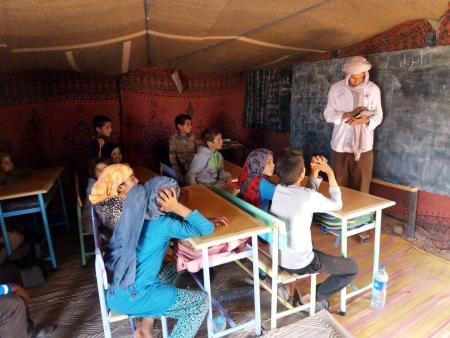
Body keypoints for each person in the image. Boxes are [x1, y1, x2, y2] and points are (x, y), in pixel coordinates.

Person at [90, 165, 214, 338]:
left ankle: (145, 327)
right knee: (199, 304)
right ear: (164, 204)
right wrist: (177, 207)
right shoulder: (164, 224)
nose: (138, 182)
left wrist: (176, 209)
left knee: (171, 269)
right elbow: (207, 229)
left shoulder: (127, 214)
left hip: (116, 293)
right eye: (174, 197)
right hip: (136, 296)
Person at [270, 149, 358, 309]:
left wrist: (315, 172)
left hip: (279, 256)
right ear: (302, 174)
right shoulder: (306, 197)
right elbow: (337, 204)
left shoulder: (278, 190)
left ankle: (311, 296)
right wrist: (330, 173)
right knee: (352, 268)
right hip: (300, 262)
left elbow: (306, 193)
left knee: (318, 254)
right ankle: (312, 298)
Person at [324, 56, 383, 193]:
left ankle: (359, 214)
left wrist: (365, 119)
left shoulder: (373, 89)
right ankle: (339, 213)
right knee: (338, 186)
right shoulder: (336, 88)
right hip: (340, 145)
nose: (356, 81)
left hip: (364, 147)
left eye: (360, 78)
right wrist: (347, 115)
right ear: (347, 75)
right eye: (353, 78)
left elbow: (378, 115)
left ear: (365, 75)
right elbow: (328, 114)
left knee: (362, 187)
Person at [81, 158, 110, 234]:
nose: (102, 171)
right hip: (92, 221)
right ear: (94, 173)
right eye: (98, 170)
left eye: (105, 168)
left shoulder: (108, 182)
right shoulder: (93, 187)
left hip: (102, 217)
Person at [169, 114, 197, 182]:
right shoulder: (173, 139)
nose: (190, 126)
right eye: (187, 124)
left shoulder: (192, 137)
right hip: (182, 171)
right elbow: (172, 157)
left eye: (191, 124)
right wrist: (177, 172)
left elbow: (197, 153)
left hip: (194, 169)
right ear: (179, 126)